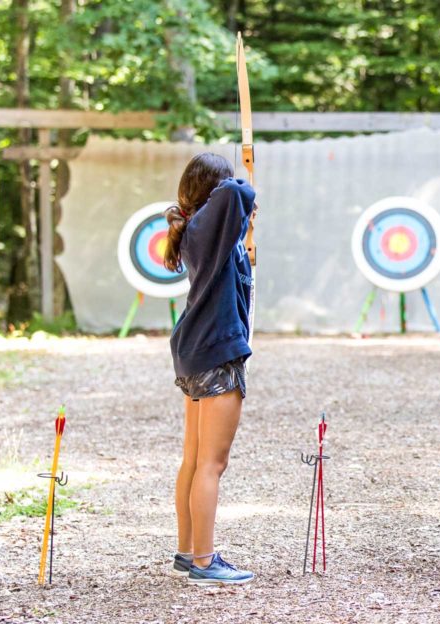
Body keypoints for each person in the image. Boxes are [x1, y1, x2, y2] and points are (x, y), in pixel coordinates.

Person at [163, 153, 257, 586]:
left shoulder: (201, 232)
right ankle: (204, 562)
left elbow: (234, 201)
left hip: (198, 351)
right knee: (211, 465)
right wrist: (238, 182)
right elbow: (238, 192)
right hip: (215, 353)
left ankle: (187, 552)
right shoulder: (204, 228)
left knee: (194, 460)